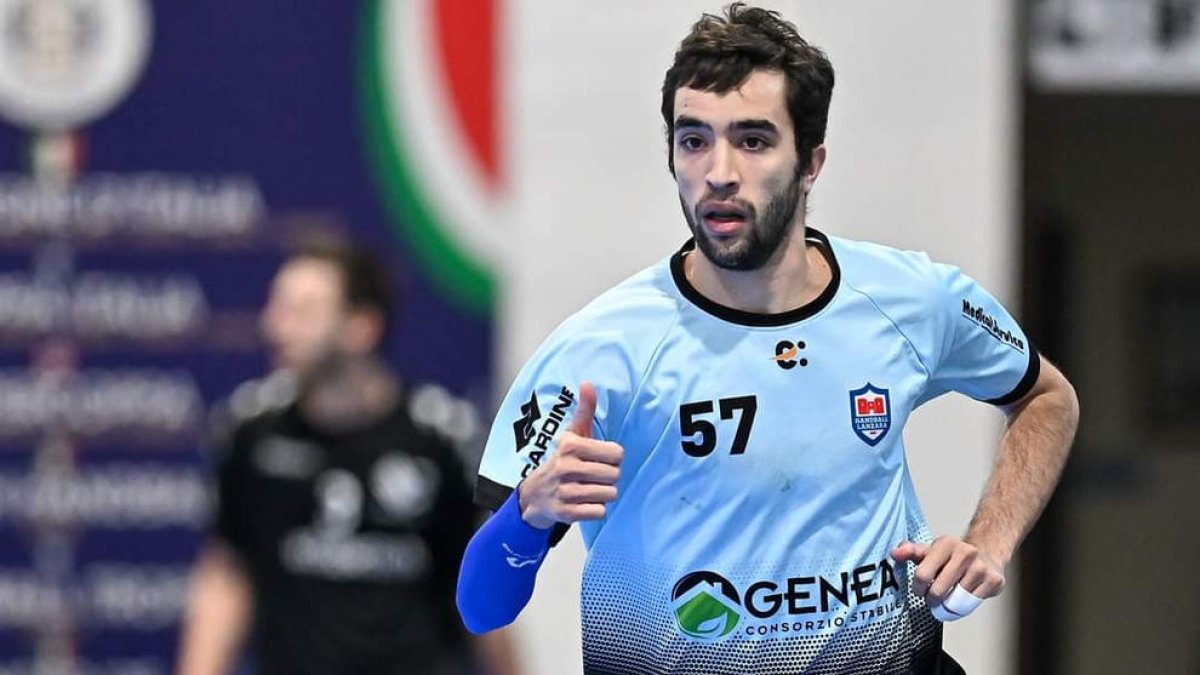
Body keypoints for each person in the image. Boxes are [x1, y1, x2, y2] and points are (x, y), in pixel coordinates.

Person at [456, 4, 1079, 674]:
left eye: (752, 140)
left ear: (810, 163)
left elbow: (1048, 397)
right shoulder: (600, 349)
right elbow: (480, 607)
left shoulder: (909, 298)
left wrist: (989, 541)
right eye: (694, 140)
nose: (719, 171)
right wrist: (528, 511)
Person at [177, 240, 519, 675]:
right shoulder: (251, 431)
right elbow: (226, 575)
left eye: (303, 312)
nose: (276, 327)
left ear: (362, 326)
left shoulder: (439, 438)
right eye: (277, 308)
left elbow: (480, 585)